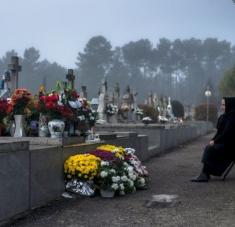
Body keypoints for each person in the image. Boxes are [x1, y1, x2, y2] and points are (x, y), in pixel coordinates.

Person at [191, 97, 235, 182]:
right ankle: (205, 174)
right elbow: (219, 133)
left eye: (224, 105)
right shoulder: (225, 116)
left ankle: (205, 174)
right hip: (225, 144)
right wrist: (213, 140)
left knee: (210, 148)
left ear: (229, 105)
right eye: (221, 104)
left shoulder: (232, 117)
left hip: (231, 147)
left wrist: (215, 141)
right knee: (210, 147)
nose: (222, 107)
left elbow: (227, 134)